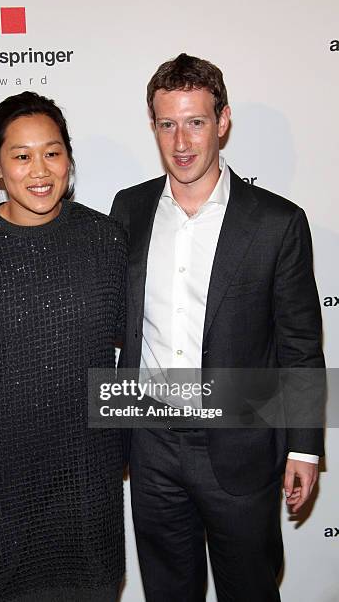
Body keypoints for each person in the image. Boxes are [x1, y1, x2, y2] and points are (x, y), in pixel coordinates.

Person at [110, 54, 324, 601]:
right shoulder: (128, 210)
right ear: (154, 125)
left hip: (240, 443)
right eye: (167, 123)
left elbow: (300, 344)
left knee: (250, 590)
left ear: (222, 121)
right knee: (167, 592)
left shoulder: (277, 222)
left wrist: (303, 448)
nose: (181, 142)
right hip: (151, 442)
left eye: (196, 121)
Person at [0, 91, 127, 602]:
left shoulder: (106, 240)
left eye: (52, 152)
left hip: (88, 478)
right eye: (21, 155)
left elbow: (138, 348)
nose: (39, 169)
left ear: (69, 160)